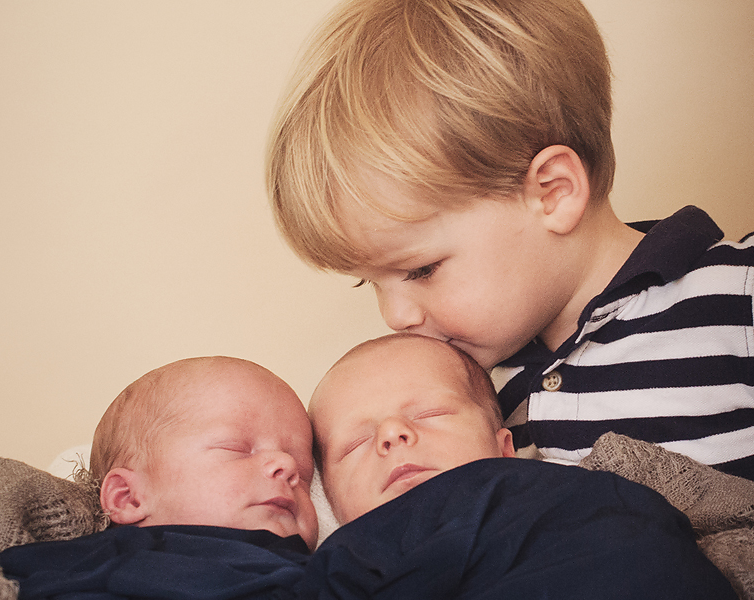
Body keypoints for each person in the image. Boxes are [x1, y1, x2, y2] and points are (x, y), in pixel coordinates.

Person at [266, 0, 754, 480]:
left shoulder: (737, 296)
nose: (394, 317)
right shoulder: (462, 397)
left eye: (421, 270)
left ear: (552, 194)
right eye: (369, 282)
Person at [300, 333, 736, 599]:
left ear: (503, 447)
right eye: (355, 444)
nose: (392, 435)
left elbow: (722, 506)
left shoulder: (597, 471)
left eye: (429, 414)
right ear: (332, 504)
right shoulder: (350, 553)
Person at [0, 356, 319, 600]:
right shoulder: (76, 565)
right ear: (128, 498)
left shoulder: (324, 572)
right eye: (237, 449)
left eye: (304, 473)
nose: (287, 466)